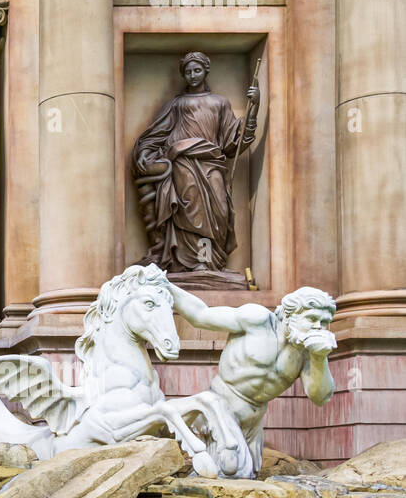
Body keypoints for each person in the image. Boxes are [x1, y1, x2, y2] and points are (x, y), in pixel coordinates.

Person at [169, 283, 337, 473]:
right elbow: (200, 315)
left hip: (254, 421)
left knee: (248, 475)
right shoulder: (257, 320)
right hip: (221, 407)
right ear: (289, 315)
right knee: (232, 472)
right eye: (312, 318)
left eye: (323, 322)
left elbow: (320, 397)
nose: (318, 327)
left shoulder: (307, 353)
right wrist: (166, 286)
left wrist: (319, 357)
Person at [132, 52, 256, 274]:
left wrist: (254, 107)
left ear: (206, 71)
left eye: (197, 70)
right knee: (191, 212)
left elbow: (232, 143)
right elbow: (155, 134)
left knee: (219, 211)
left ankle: (209, 262)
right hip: (184, 164)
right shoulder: (177, 105)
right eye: (188, 72)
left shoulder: (220, 103)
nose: (192, 75)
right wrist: (145, 152)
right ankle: (194, 263)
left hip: (212, 164)